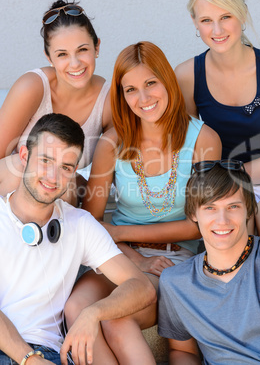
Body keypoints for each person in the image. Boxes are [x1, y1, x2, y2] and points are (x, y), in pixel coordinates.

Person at [64, 41, 221, 364]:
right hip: (117, 255)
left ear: (167, 81)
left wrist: (122, 234)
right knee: (75, 308)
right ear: (121, 96)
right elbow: (91, 225)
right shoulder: (112, 143)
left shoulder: (204, 140)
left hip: (173, 260)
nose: (144, 98)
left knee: (116, 317)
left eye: (151, 83)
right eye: (131, 89)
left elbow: (197, 227)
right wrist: (133, 256)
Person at [0, 113, 156, 365]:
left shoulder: (80, 224)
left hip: (49, 354)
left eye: (66, 167)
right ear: (24, 156)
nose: (53, 177)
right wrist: (27, 359)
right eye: (46, 160)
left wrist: (93, 312)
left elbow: (142, 287)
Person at [0, 0, 113, 203]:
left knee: (65, 177)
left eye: (82, 50)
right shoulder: (32, 87)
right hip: (10, 198)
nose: (75, 63)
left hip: (60, 207)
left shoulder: (108, 101)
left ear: (97, 47)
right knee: (20, 165)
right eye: (62, 54)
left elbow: (102, 176)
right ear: (49, 57)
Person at [158, 159, 260, 364]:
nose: (222, 220)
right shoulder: (175, 281)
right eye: (210, 208)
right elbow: (183, 352)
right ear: (193, 213)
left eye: (233, 206)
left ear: (249, 210)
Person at [175, 0, 260, 203]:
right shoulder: (187, 76)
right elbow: (187, 151)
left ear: (243, 13)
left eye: (226, 17)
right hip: (222, 192)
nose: (217, 31)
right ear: (195, 22)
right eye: (207, 20)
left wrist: (232, 175)